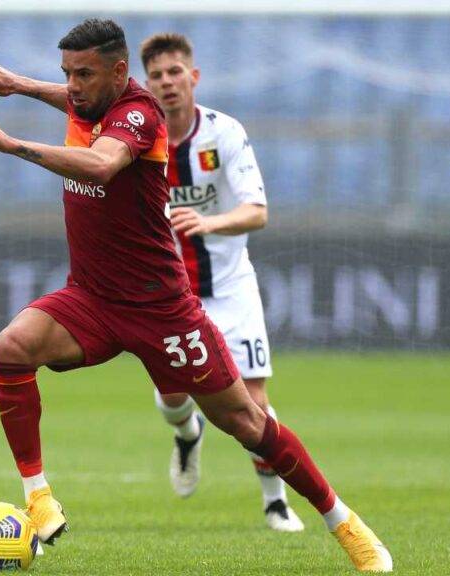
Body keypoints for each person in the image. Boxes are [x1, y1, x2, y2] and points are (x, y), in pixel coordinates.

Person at [0, 18, 392, 572]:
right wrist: (18, 84)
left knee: (248, 423)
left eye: (84, 74)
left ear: (119, 71)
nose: (74, 85)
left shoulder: (139, 114)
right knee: (12, 346)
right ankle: (39, 499)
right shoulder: (87, 100)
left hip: (162, 309)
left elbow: (102, 164)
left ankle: (345, 523)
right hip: (91, 297)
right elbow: (70, 99)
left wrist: (10, 143)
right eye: (67, 74)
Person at [139, 32, 303, 532]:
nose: (167, 83)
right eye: (157, 76)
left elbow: (258, 211)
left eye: (174, 73)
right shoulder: (139, 138)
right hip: (169, 296)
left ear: (194, 77)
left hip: (231, 288)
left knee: (254, 401)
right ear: (146, 84)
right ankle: (188, 435)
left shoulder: (225, 133)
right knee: (172, 400)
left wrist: (207, 222)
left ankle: (276, 502)